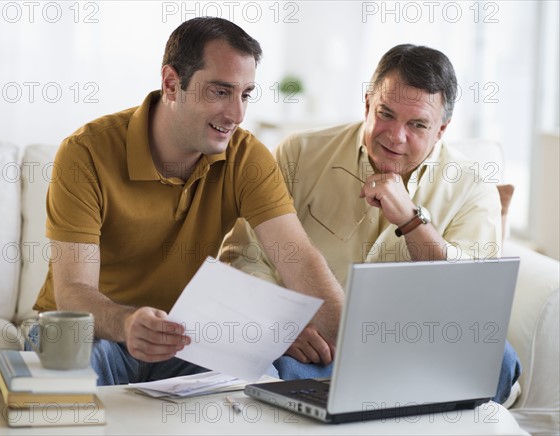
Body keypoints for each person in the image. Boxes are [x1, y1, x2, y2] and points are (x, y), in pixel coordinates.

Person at [32, 17, 344, 385]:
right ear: (171, 84)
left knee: (264, 384)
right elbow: (74, 292)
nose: (237, 115)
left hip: (185, 340)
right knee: (72, 380)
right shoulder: (85, 152)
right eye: (220, 92)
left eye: (245, 94)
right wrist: (128, 323)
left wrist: (355, 349)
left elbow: (300, 259)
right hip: (92, 333)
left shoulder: (246, 157)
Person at [220, 44, 521, 405]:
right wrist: (281, 323)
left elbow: (473, 301)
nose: (396, 136)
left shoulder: (473, 189)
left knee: (498, 358)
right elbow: (242, 256)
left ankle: (375, 401)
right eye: (386, 114)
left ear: (442, 129)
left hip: (416, 353)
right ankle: (390, 405)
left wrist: (413, 222)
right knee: (258, 357)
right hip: (316, 352)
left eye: (418, 125)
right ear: (367, 104)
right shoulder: (299, 154)